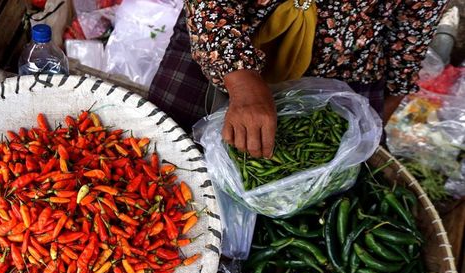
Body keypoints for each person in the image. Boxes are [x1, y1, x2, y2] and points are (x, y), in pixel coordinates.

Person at [148, 0, 449, 158]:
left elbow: (411, 33)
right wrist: (241, 80)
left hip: (344, 60)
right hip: (228, 30)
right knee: (162, 143)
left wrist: (378, 116)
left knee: (334, 184)